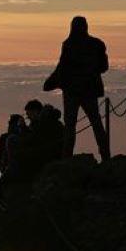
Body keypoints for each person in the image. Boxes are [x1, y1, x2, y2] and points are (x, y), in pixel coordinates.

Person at [44, 16, 111, 161]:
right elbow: (104, 67)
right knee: (96, 123)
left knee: (70, 127)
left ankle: (66, 159)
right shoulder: (97, 44)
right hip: (89, 90)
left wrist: (50, 82)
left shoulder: (68, 44)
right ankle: (106, 157)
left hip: (72, 92)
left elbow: (62, 68)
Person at [0, 114, 26, 181]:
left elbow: (1, 153)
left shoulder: (7, 137)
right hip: (8, 163)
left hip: (11, 164)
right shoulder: (23, 133)